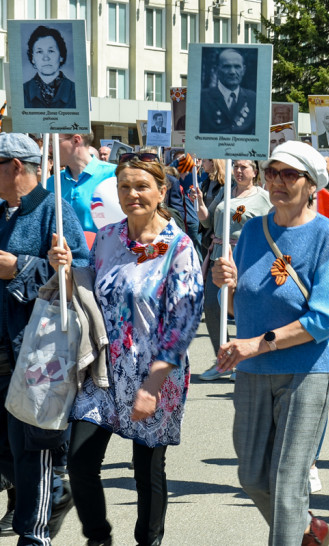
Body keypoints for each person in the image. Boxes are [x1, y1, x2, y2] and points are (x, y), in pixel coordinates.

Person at [49, 152, 204, 546]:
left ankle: (148, 541)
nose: (132, 194)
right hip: (104, 370)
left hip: (155, 373)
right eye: (125, 187)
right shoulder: (107, 237)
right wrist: (64, 270)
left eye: (141, 186)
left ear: (161, 191)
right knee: (80, 462)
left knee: (146, 469)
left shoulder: (179, 247)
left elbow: (183, 323)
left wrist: (152, 386)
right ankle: (98, 538)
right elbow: (89, 292)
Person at [210, 141, 329, 544]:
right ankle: (308, 530)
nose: (277, 182)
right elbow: (239, 305)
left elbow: (327, 317)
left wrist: (260, 343)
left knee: (288, 485)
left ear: (312, 185)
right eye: (272, 173)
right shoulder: (253, 230)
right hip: (252, 370)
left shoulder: (326, 235)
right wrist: (225, 285)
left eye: (289, 174)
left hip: (306, 372)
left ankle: (293, 528)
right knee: (252, 476)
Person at [0, 134, 89, 545]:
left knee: (31, 449)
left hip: (35, 353)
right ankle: (53, 490)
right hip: (3, 350)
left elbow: (81, 275)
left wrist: (20, 267)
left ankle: (35, 533)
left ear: (16, 166)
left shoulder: (55, 211)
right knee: (9, 452)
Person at [196, 160, 271, 381]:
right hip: (219, 256)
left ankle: (246, 359)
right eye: (236, 166)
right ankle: (225, 360)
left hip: (245, 257)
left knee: (243, 309)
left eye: (243, 167)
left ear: (255, 172)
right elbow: (207, 221)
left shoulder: (263, 198)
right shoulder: (225, 192)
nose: (238, 171)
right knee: (211, 306)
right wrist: (199, 203)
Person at [46, 132, 118, 233]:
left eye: (53, 142)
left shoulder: (114, 175)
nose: (49, 149)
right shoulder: (51, 182)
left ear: (76, 140)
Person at [199, 48, 257, 135]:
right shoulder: (202, 98)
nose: (232, 72)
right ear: (217, 70)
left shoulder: (253, 98)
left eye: (237, 67)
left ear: (243, 70)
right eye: (226, 66)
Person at [22, 25, 76, 110]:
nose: (46, 58)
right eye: (39, 52)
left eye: (51, 51)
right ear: (33, 58)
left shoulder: (76, 91)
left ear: (61, 56)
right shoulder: (22, 91)